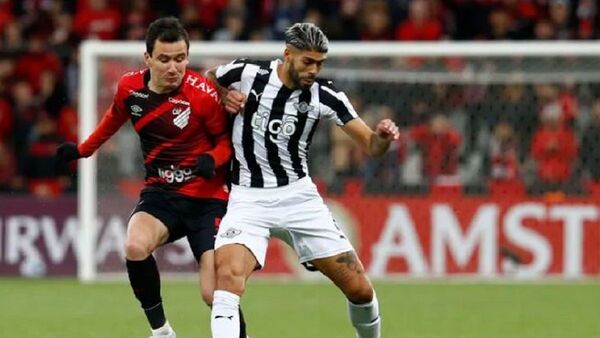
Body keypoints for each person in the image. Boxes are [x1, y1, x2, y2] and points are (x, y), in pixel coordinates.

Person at [55, 17, 247, 338]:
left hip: (207, 200)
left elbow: (225, 142)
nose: (174, 67)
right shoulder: (130, 89)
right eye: (165, 59)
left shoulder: (202, 94)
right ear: (148, 59)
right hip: (162, 194)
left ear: (187, 55)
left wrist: (211, 160)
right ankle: (162, 332)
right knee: (134, 245)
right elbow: (112, 120)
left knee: (213, 294)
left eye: (180, 58)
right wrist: (82, 150)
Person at [206, 22, 399, 338]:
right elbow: (206, 80)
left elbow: (371, 146)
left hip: (299, 200)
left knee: (361, 291)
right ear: (287, 55)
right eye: (308, 61)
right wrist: (225, 94)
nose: (314, 70)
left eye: (320, 63)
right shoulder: (246, 73)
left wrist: (382, 137)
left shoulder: (326, 95)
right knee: (227, 281)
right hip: (247, 199)